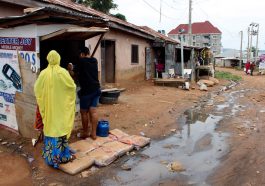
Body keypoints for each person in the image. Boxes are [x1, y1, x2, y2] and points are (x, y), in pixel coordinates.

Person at [34, 50, 76, 168]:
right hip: (60, 109)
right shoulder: (63, 72)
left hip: (49, 110)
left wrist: (44, 99)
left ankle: (50, 158)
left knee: (50, 129)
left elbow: (37, 89)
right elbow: (72, 87)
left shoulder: (43, 73)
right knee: (60, 129)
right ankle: (63, 156)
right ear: (58, 59)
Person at [68, 47, 101, 140]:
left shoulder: (81, 61)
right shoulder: (94, 60)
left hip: (86, 91)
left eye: (80, 55)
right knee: (93, 111)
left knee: (84, 112)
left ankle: (86, 132)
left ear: (82, 54)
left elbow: (73, 72)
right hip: (96, 89)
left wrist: (70, 68)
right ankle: (94, 134)